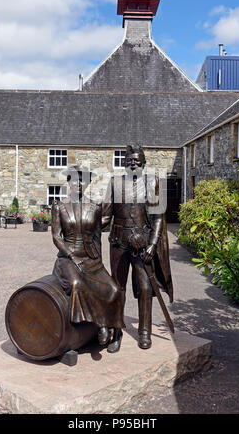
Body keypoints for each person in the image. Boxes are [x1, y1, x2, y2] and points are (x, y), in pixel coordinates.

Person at [102, 145, 173, 351]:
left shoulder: (152, 182)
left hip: (142, 244)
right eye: (130, 160)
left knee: (144, 287)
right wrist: (86, 223)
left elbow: (159, 217)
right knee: (118, 287)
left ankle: (144, 331)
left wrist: (152, 245)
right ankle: (116, 331)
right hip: (119, 241)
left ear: (144, 162)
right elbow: (106, 215)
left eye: (137, 160)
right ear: (125, 162)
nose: (133, 163)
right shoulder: (114, 183)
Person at [52, 165, 125, 353]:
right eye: (74, 179)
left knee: (114, 289)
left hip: (90, 258)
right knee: (77, 284)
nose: (78, 183)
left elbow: (96, 237)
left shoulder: (95, 206)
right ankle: (100, 324)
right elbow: (56, 236)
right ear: (68, 181)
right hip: (67, 258)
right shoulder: (59, 206)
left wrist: (99, 264)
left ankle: (117, 333)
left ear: (88, 183)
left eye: (82, 179)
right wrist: (70, 255)